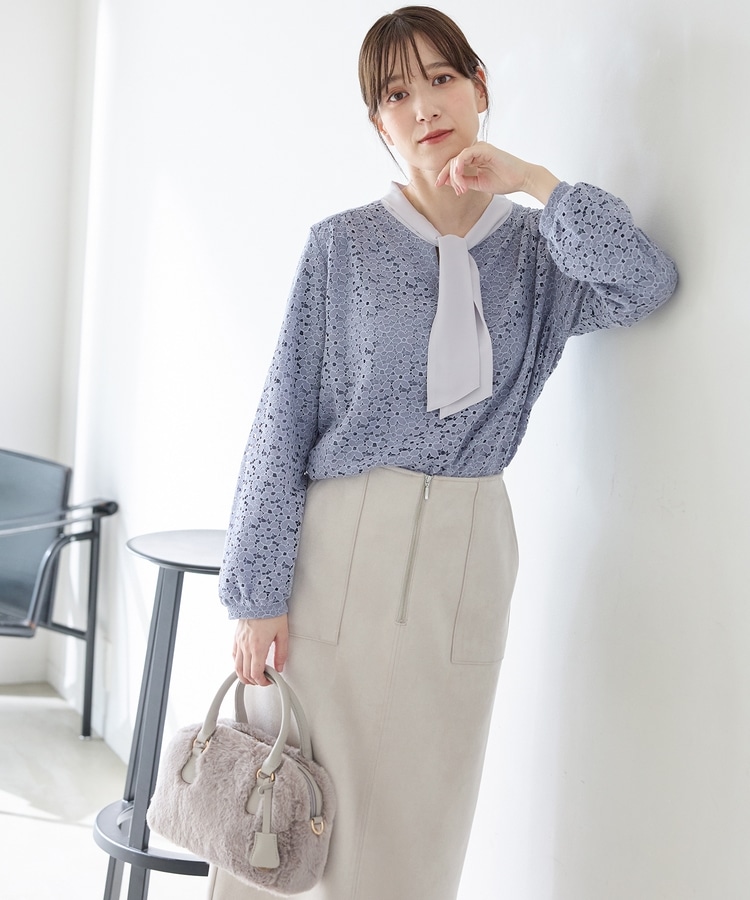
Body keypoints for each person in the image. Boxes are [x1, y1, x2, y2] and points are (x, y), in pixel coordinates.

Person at [211, 7, 678, 899]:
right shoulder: (342, 246)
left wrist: (534, 181)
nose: (424, 105)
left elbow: (647, 282)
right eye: (397, 94)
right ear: (378, 124)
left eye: (441, 78)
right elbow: (282, 417)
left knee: (419, 818)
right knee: (284, 808)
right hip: (341, 544)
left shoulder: (542, 254)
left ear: (478, 87)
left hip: (469, 547)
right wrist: (256, 594)